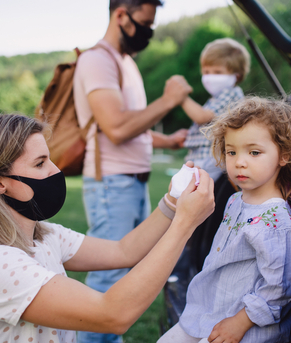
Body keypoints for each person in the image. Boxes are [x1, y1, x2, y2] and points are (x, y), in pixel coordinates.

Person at [0, 114, 214, 343]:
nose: (55, 170)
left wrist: (172, 203)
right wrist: (184, 225)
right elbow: (112, 314)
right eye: (40, 163)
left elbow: (124, 251)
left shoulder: (43, 235)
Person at [73, 2, 192, 340]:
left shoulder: (126, 62)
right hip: (112, 183)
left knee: (123, 273)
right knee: (107, 278)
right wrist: (168, 100)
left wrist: (167, 140)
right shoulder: (97, 60)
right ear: (121, 15)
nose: (148, 33)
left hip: (131, 183)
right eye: (145, 23)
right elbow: (116, 127)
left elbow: (133, 124)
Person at [157, 97, 291, 343]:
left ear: (284, 155)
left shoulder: (275, 221)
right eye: (231, 151)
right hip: (209, 311)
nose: (239, 161)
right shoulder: (235, 200)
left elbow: (278, 289)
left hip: (245, 328)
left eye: (254, 152)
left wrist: (240, 322)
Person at [182, 37, 250, 181]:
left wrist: (181, 97)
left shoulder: (230, 94)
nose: (210, 77)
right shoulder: (217, 97)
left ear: (236, 76)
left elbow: (202, 117)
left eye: (217, 72)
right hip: (200, 156)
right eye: (206, 72)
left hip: (208, 158)